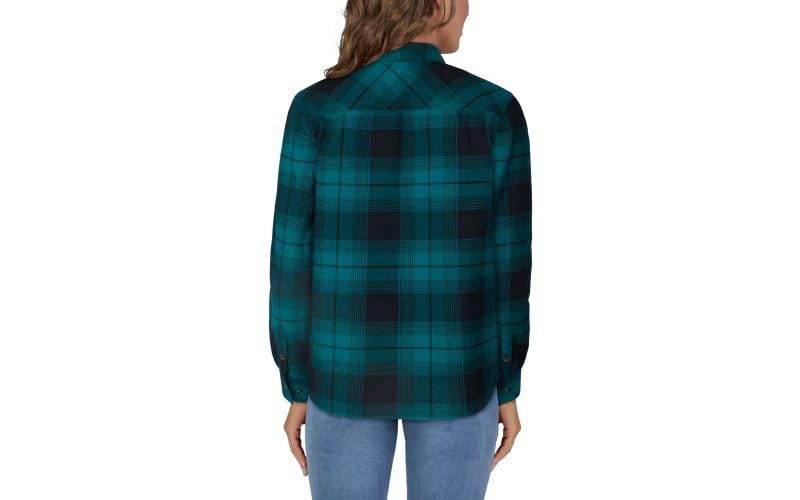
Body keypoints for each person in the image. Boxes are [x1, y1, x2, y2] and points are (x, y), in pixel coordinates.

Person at [268, 0, 531, 498]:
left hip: (341, 373)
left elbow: (290, 263)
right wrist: (506, 380)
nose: (470, 10)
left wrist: (297, 383)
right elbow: (510, 267)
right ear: (436, 5)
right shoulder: (493, 110)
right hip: (459, 374)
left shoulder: (316, 110)